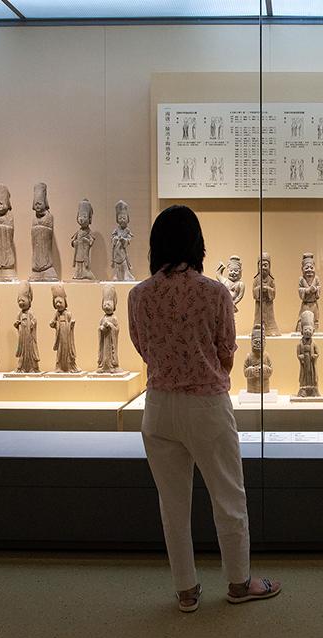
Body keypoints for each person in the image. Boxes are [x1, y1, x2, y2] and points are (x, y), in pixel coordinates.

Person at [128, 205, 281, 612]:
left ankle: (185, 590)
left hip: (158, 406)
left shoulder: (139, 295)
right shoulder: (214, 293)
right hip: (207, 405)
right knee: (228, 496)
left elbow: (143, 348)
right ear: (197, 244)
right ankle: (239, 582)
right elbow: (227, 352)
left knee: (172, 504)